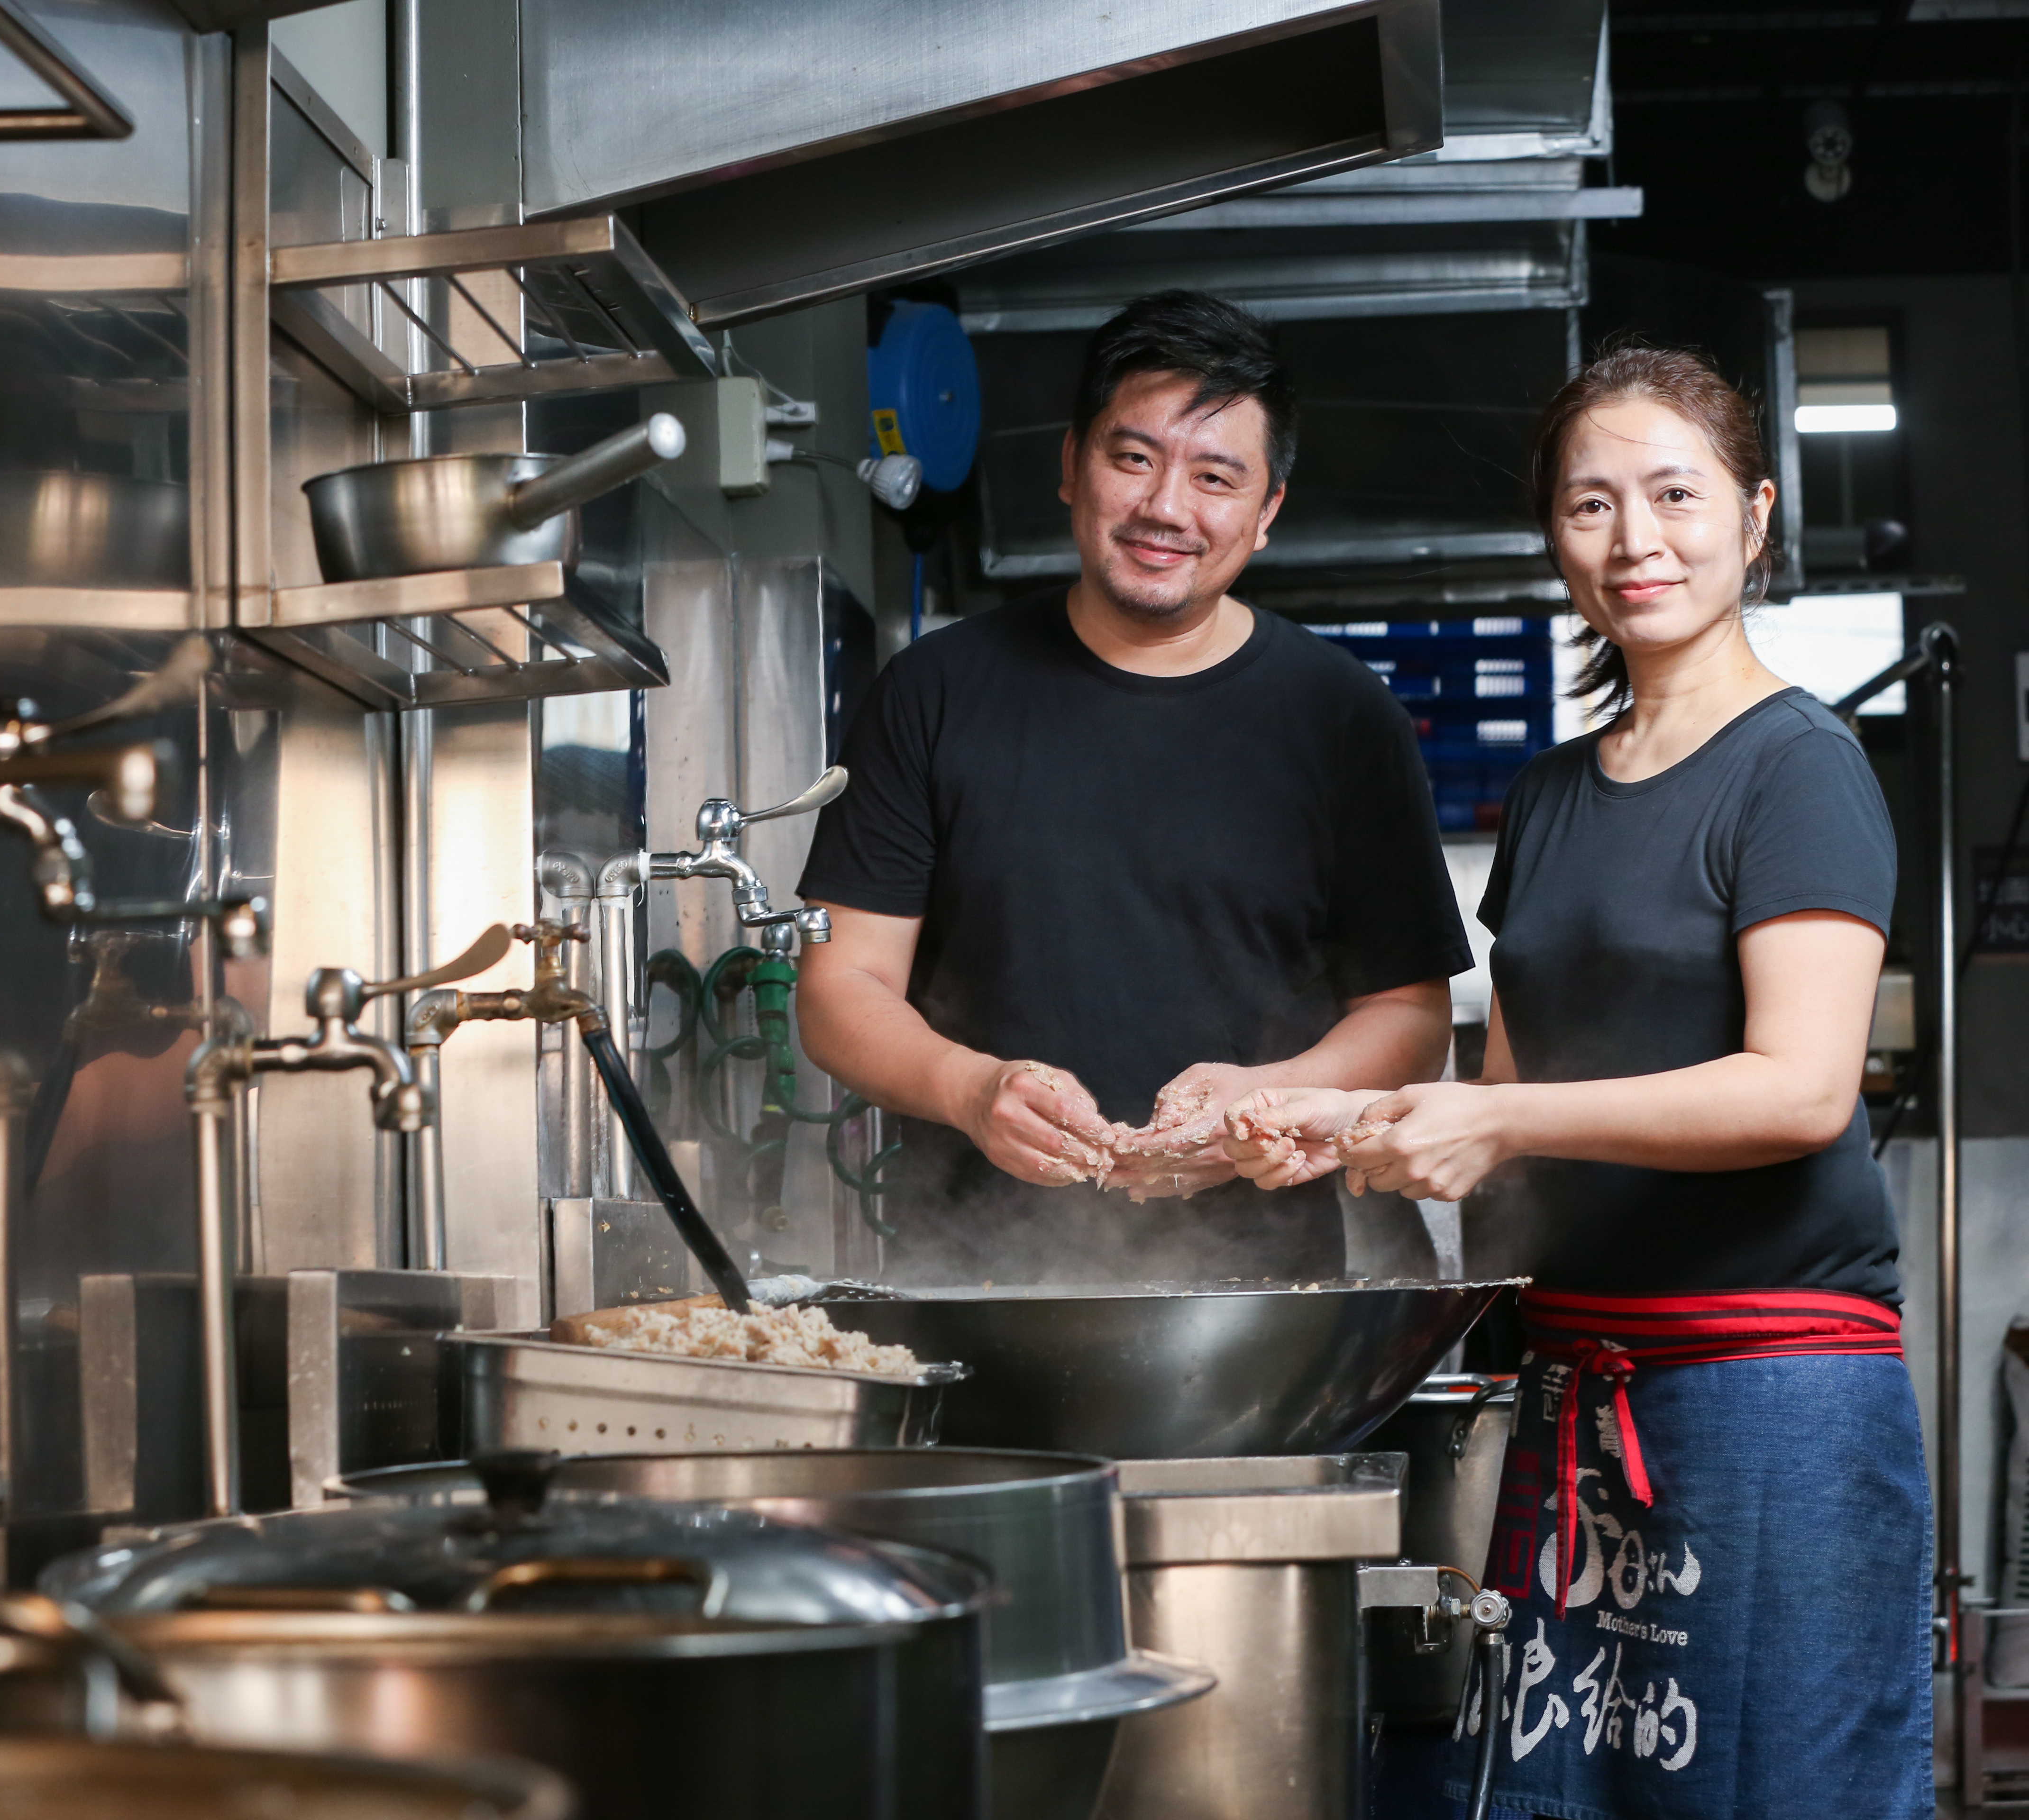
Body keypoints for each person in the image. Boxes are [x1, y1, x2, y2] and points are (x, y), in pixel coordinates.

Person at [1223, 345, 1929, 1817]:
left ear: (1755, 516)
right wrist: (1327, 1121)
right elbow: (1509, 1113)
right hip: (1575, 1393)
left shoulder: (1798, 769)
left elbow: (1799, 1091)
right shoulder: (1548, 796)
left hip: (1768, 1402)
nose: (1634, 540)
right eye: (1591, 504)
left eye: (1674, 495)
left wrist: (1496, 1119)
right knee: (1568, 1796)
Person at [792, 289, 1471, 1283]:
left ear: (1267, 511)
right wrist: (972, 1086)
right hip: (973, 1282)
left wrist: (1265, 1100)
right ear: (1072, 466)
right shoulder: (935, 693)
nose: (1167, 508)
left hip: (1263, 1299)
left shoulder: (1342, 716)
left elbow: (1410, 1020)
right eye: (1134, 457)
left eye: (1215, 476)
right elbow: (840, 987)